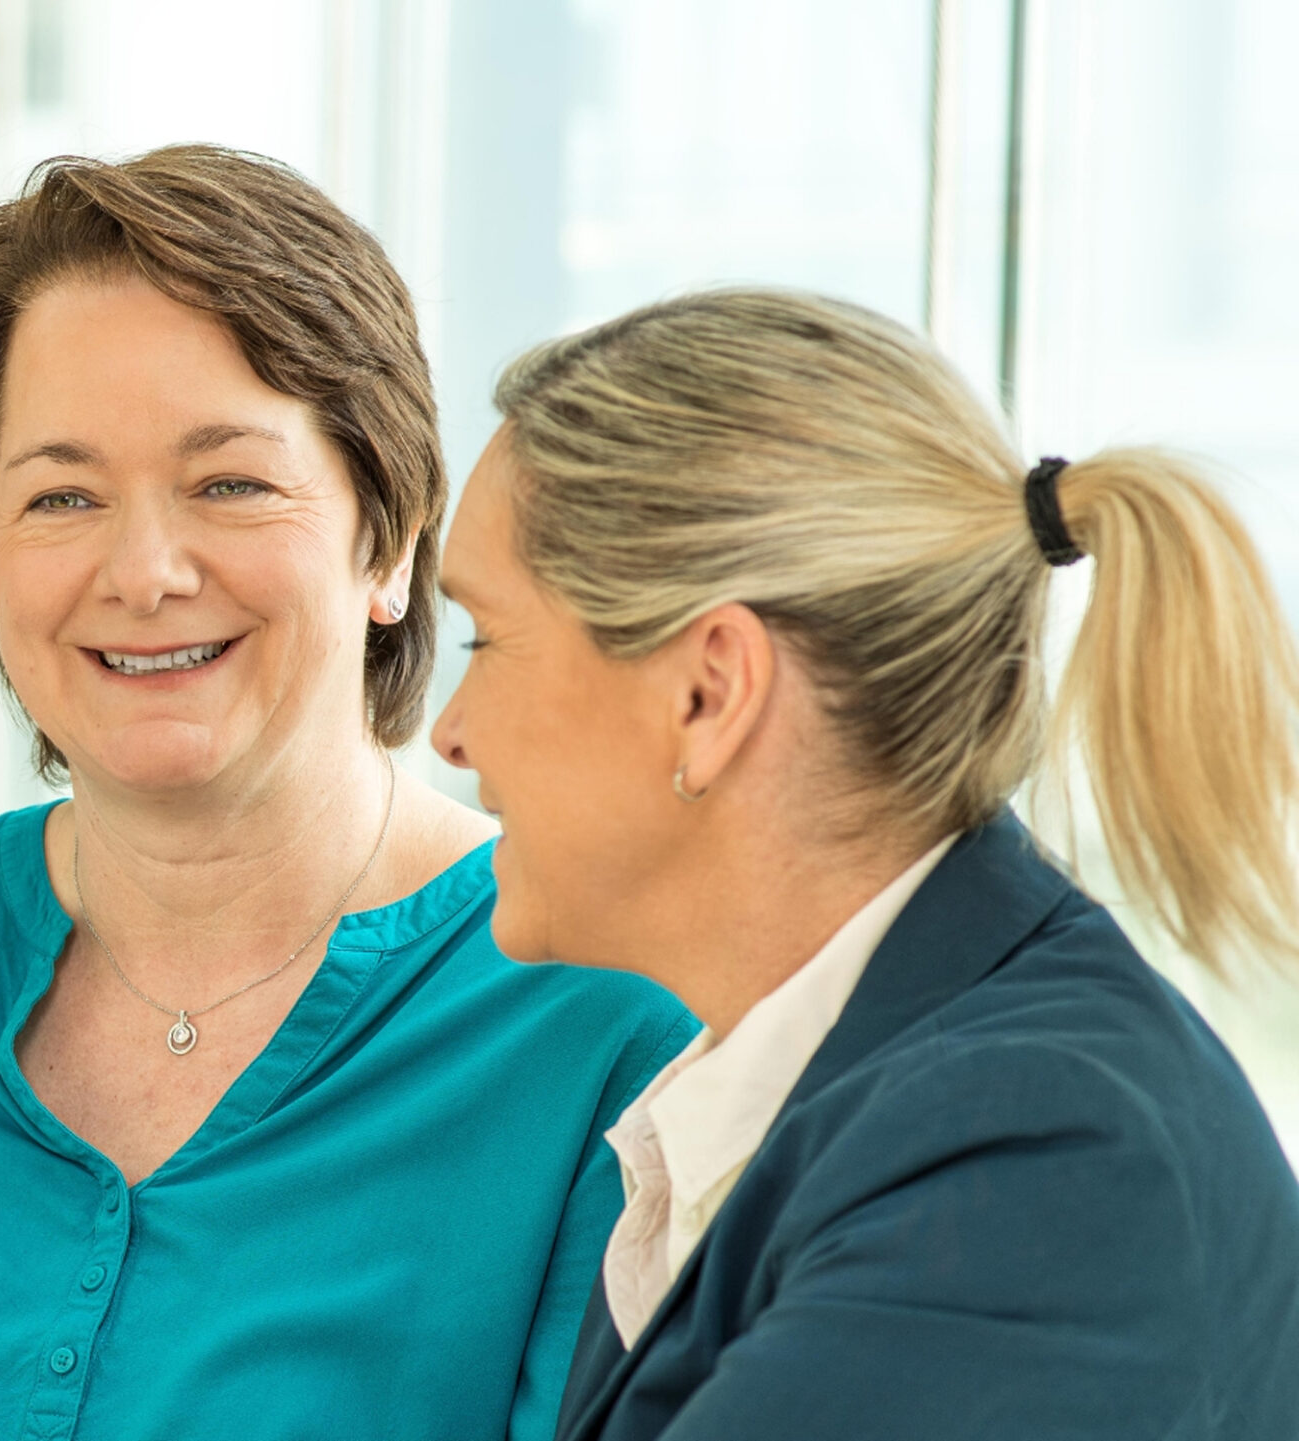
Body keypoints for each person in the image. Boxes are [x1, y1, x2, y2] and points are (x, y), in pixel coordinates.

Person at [0, 146, 693, 1440]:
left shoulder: (602, 1024)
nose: (144, 569)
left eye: (228, 481)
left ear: (385, 540)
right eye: (62, 495)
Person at [429, 286, 1299, 1440]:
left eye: (485, 638)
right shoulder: (880, 1091)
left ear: (708, 692)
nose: (449, 731)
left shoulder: (1032, 1162)